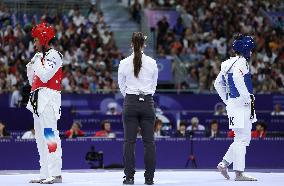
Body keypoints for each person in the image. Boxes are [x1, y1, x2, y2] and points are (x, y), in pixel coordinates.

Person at [214, 34, 257, 181]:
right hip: (242, 104)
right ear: (245, 50)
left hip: (234, 104)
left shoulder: (227, 63)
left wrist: (228, 100)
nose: (251, 53)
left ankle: (224, 164)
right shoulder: (242, 62)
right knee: (241, 140)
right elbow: (238, 79)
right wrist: (245, 99)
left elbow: (217, 84)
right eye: (250, 50)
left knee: (243, 138)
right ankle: (239, 173)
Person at [118, 32, 158, 185]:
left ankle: (129, 177)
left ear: (131, 44)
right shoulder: (152, 62)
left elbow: (122, 86)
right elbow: (153, 86)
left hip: (130, 101)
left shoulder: (123, 63)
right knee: (149, 142)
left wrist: (131, 96)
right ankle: (149, 178)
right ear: (144, 45)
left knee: (129, 142)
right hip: (147, 101)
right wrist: (145, 95)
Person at [26, 21, 63, 184]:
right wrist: (31, 66)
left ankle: (55, 174)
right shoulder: (39, 57)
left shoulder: (54, 55)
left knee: (49, 135)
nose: (33, 43)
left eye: (35, 40)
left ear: (43, 39)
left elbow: (46, 76)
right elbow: (32, 81)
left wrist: (36, 62)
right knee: (40, 138)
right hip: (37, 98)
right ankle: (44, 173)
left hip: (48, 99)